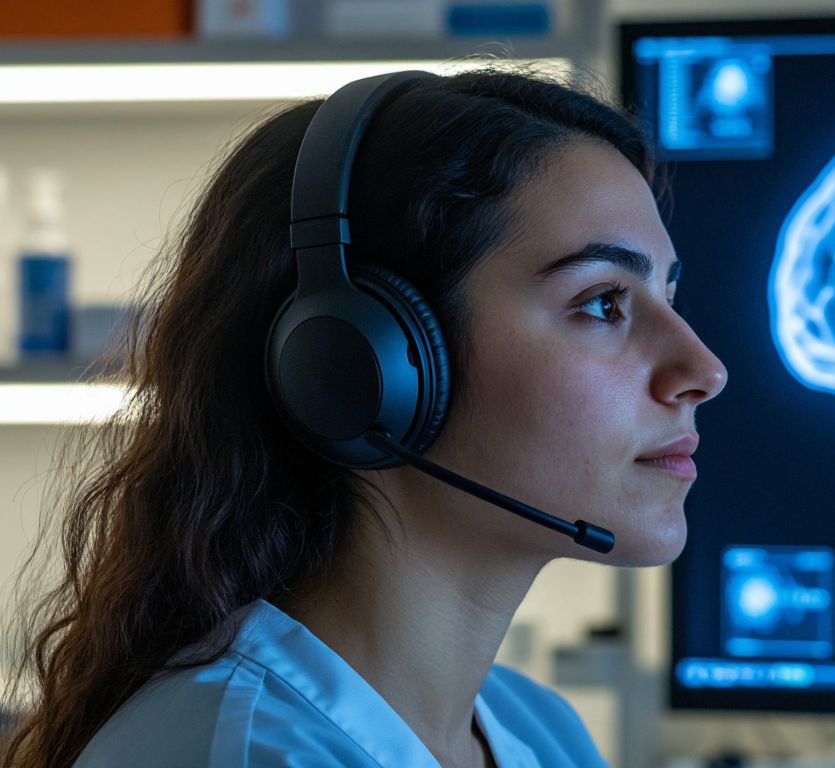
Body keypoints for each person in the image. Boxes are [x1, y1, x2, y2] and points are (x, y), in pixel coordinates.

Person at [0, 64, 727, 767]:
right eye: (603, 303)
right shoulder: (246, 754)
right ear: (363, 366)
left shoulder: (534, 730)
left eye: (670, 293)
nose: (704, 371)